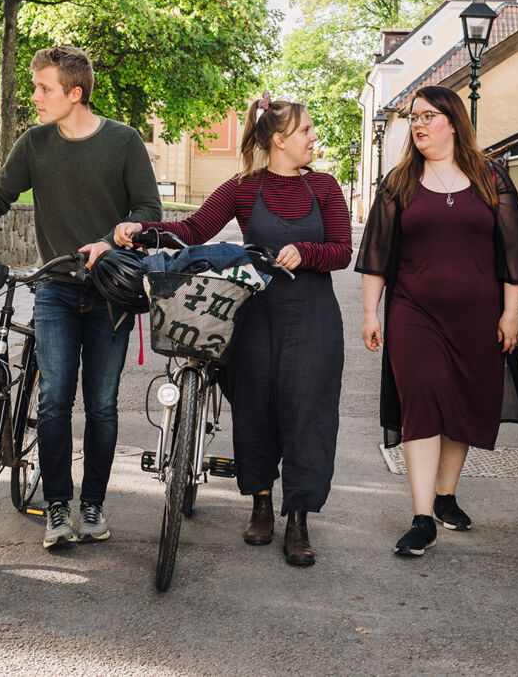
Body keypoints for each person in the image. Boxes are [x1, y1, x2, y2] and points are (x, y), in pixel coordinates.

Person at [0, 45, 160, 550]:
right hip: (55, 288)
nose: (34, 96)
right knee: (54, 400)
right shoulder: (34, 144)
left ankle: (93, 504)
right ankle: (57, 505)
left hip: (110, 293)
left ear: (74, 94)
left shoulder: (123, 142)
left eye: (43, 88)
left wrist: (117, 236)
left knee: (100, 404)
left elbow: (149, 208)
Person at [114, 94, 352, 567]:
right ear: (280, 139)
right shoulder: (244, 187)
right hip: (255, 316)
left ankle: (299, 518)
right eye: (306, 131)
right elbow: (195, 229)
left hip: (312, 320)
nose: (313, 139)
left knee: (309, 416)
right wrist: (141, 231)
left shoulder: (324, 187)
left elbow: (342, 250)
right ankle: (261, 504)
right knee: (255, 409)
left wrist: (307, 252)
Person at [356, 85, 518, 557]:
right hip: (414, 312)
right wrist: (370, 311)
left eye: (429, 116)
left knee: (462, 403)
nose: (418, 124)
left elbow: (513, 253)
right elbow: (376, 254)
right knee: (423, 400)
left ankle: (446, 495)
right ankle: (421, 518)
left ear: (453, 122)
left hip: (479, 316)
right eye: (414, 117)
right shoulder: (399, 183)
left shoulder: (491, 178)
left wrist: (511, 312)